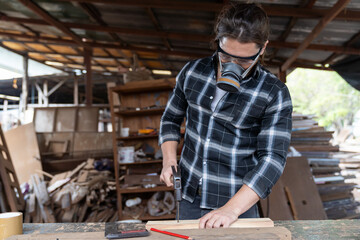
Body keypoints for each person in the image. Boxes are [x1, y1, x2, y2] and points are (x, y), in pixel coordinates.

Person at [159, 2, 292, 229]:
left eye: (244, 60)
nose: (233, 65)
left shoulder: (274, 93)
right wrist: (169, 160)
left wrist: (232, 209)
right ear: (218, 41)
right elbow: (170, 119)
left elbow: (272, 159)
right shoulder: (192, 72)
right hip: (190, 197)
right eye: (227, 56)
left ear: (263, 48)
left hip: (238, 204)